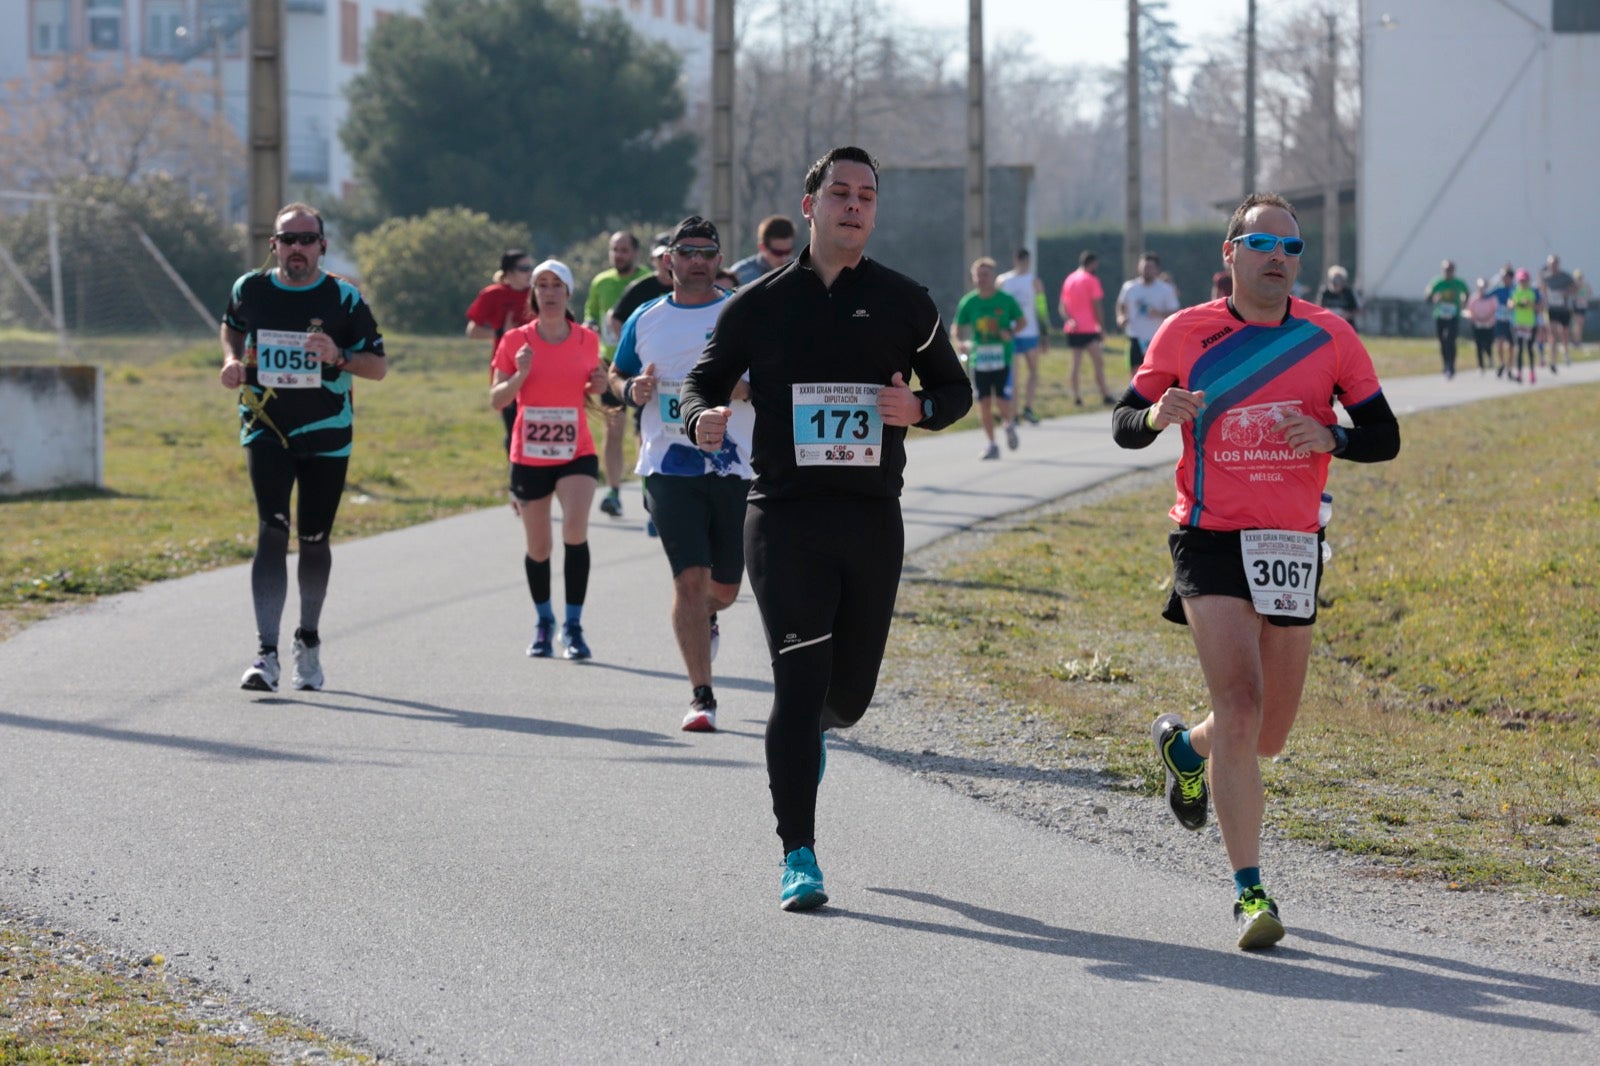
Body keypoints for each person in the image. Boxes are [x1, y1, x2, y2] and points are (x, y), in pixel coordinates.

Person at [678, 146, 973, 912]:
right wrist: (698, 416)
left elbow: (955, 387)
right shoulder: (761, 305)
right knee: (799, 685)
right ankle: (797, 851)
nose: (853, 205)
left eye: (866, 195)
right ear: (809, 206)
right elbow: (701, 382)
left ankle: (814, 738)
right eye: (838, 192)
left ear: (875, 211)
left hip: (873, 519)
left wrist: (924, 410)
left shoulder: (907, 302)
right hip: (783, 517)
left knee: (848, 697)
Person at [1111, 192, 1400, 951]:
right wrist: (1156, 415)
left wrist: (1329, 434)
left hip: (1293, 544)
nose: (1280, 256)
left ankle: (1184, 750)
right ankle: (1250, 894)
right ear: (1230, 255)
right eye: (1264, 242)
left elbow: (1385, 435)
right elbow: (1124, 424)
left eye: (1292, 247)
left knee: (1265, 734)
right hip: (1207, 538)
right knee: (1239, 706)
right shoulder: (1187, 332)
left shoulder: (1329, 336)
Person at [220, 202, 388, 692]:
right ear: (273, 244)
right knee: (271, 529)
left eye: (306, 239)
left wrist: (339, 355)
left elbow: (378, 366)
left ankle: (307, 641)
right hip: (265, 425)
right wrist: (231, 360)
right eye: (287, 239)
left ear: (322, 245)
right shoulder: (249, 288)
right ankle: (265, 654)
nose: (297, 248)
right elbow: (231, 323)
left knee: (313, 541)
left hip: (327, 433)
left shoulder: (343, 298)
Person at [609, 216, 751, 731]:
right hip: (668, 465)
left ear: (718, 260)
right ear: (668, 260)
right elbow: (615, 372)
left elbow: (779, 380)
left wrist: (743, 388)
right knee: (689, 580)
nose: (695, 260)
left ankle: (709, 615)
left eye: (705, 252)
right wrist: (631, 392)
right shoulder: (646, 317)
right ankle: (702, 696)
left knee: (726, 588)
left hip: (736, 465)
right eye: (685, 251)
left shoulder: (742, 314)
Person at [490, 260, 609, 661]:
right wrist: (521, 374)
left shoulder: (586, 340)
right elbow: (497, 400)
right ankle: (545, 622)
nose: (550, 291)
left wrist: (601, 384)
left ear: (568, 293)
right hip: (529, 453)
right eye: (542, 284)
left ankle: (573, 625)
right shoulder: (514, 342)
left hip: (576, 451)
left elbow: (595, 384)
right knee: (538, 547)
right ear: (534, 294)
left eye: (557, 284)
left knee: (575, 532)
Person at [583, 231, 653, 520]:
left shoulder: (649, 279)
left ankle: (649, 491)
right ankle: (613, 492)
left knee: (643, 430)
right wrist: (590, 324)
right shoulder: (601, 281)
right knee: (613, 429)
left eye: (624, 250)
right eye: (614, 250)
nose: (618, 255)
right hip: (610, 364)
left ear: (636, 253)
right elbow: (591, 314)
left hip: (643, 367)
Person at [954, 256, 1025, 460]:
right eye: (978, 275)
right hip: (979, 359)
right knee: (984, 402)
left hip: (1001, 356)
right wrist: (961, 342)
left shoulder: (1005, 300)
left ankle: (1008, 424)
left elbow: (1021, 322)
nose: (981, 279)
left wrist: (1010, 333)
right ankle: (992, 444)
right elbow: (957, 328)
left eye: (985, 275)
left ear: (993, 277)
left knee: (1001, 398)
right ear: (973, 278)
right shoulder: (969, 302)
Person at [465, 249, 535, 455]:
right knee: (513, 426)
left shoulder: (538, 294)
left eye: (530, 267)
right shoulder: (493, 294)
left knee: (532, 426)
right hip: (506, 369)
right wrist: (500, 333)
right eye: (524, 268)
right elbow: (472, 331)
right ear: (509, 272)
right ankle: (516, 472)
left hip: (536, 369)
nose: (529, 273)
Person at [996, 248, 1051, 423]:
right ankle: (1026, 407)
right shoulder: (1034, 281)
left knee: (1013, 374)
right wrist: (1045, 334)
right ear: (1029, 260)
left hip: (1011, 331)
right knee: (1032, 371)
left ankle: (1013, 414)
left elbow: (996, 307)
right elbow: (1041, 309)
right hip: (1028, 331)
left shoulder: (1002, 280)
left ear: (1015, 259)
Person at [1059, 250, 1114, 406]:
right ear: (1092, 263)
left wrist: (1069, 319)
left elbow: (1062, 305)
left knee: (1075, 364)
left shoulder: (1069, 279)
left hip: (1074, 328)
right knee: (1098, 362)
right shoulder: (1091, 279)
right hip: (1089, 328)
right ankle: (1105, 394)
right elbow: (1096, 305)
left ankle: (1076, 396)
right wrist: (1101, 327)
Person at [1116, 251, 1181, 373]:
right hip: (1135, 336)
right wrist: (1121, 317)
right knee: (1135, 372)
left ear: (1157, 269)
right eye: (1144, 266)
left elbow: (1175, 313)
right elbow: (1121, 304)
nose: (1147, 270)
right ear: (1139, 267)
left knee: (1157, 372)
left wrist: (1159, 313)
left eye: (1150, 267)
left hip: (1157, 337)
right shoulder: (1129, 287)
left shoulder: (1165, 289)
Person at [1425, 259, 1469, 379]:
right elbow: (1428, 296)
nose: (1448, 272)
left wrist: (1464, 302)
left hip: (1453, 316)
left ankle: (1451, 365)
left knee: (1450, 339)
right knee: (1442, 340)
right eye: (1446, 270)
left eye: (1450, 270)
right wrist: (1434, 298)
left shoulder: (1458, 282)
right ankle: (1445, 363)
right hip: (1440, 315)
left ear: (1453, 271)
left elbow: (1466, 292)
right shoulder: (1437, 282)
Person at [729, 215, 797, 286]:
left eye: (788, 251)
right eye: (778, 253)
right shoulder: (740, 275)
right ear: (762, 247)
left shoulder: (797, 272)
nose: (784, 258)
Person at [1540, 254, 1575, 367]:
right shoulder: (1545, 277)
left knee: (1564, 332)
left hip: (1563, 308)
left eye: (1555, 264)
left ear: (1558, 264)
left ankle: (1565, 353)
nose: (1553, 266)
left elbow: (1575, 287)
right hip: (1551, 308)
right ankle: (1553, 358)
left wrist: (1566, 292)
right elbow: (1542, 289)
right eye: (1550, 264)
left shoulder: (1565, 276)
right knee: (1552, 332)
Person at [1509, 267, 1540, 383]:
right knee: (1520, 349)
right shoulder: (1515, 291)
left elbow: (1539, 307)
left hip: (1530, 323)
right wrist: (1517, 303)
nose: (1522, 283)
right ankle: (1519, 373)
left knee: (1530, 348)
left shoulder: (1533, 292)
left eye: (1524, 280)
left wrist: (1530, 304)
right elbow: (1510, 304)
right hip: (1518, 324)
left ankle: (1532, 372)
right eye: (1521, 280)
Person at [1485, 265, 1516, 378]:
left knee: (1511, 346)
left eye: (1505, 276)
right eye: (1502, 276)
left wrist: (1513, 304)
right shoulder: (1498, 288)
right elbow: (1486, 295)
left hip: (1512, 321)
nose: (1503, 278)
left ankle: (1510, 367)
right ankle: (1501, 363)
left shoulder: (1515, 288)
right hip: (1500, 319)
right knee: (1499, 343)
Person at [1465, 277, 1498, 374]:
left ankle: (1489, 357)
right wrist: (1475, 318)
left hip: (1489, 324)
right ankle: (1481, 365)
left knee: (1488, 343)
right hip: (1477, 325)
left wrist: (1486, 318)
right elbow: (1470, 310)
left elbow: (1494, 310)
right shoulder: (1474, 298)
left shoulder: (1491, 298)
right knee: (1479, 345)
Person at [1316, 265, 1360, 331]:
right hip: (1329, 325)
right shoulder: (1325, 292)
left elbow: (1357, 309)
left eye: (1338, 280)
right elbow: (1319, 307)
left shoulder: (1349, 292)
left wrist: (1347, 314)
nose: (1335, 283)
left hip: (1346, 326)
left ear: (1343, 281)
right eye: (1333, 280)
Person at [1571, 268, 1590, 352]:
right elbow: (1572, 294)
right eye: (1578, 278)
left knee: (1580, 324)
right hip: (1576, 306)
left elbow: (1589, 293)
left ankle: (1578, 340)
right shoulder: (1574, 286)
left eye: (1580, 277)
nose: (1579, 279)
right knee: (1577, 324)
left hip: (1583, 306)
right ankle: (1576, 341)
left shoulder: (1585, 285)